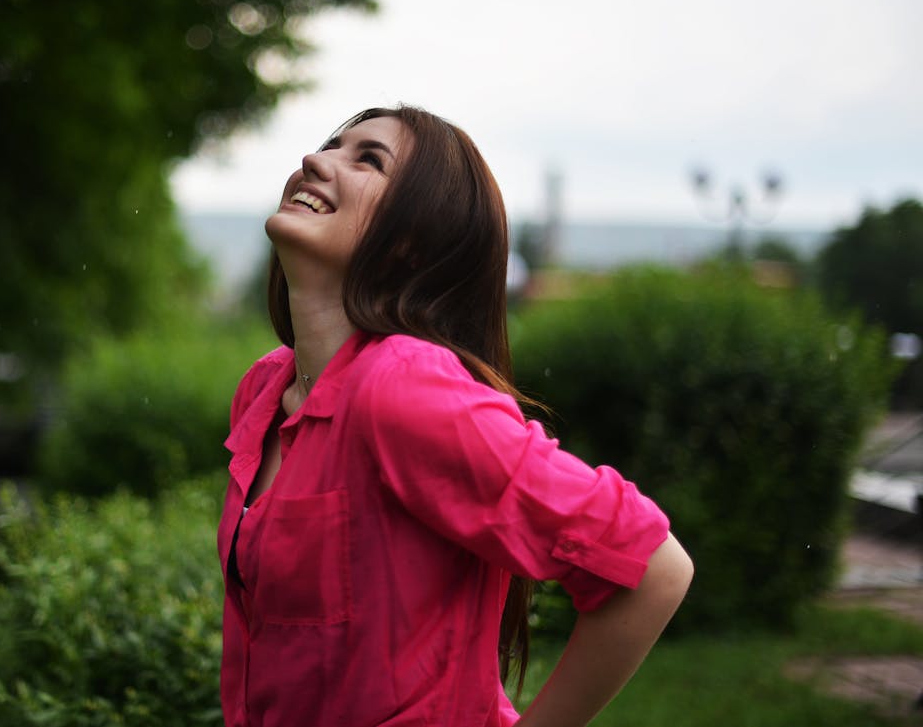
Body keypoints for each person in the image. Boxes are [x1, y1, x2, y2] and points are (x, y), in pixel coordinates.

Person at [217, 105, 694, 727]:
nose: (316, 161)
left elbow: (654, 567)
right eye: (330, 145)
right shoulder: (265, 386)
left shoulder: (400, 386)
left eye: (368, 159)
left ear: (413, 239)